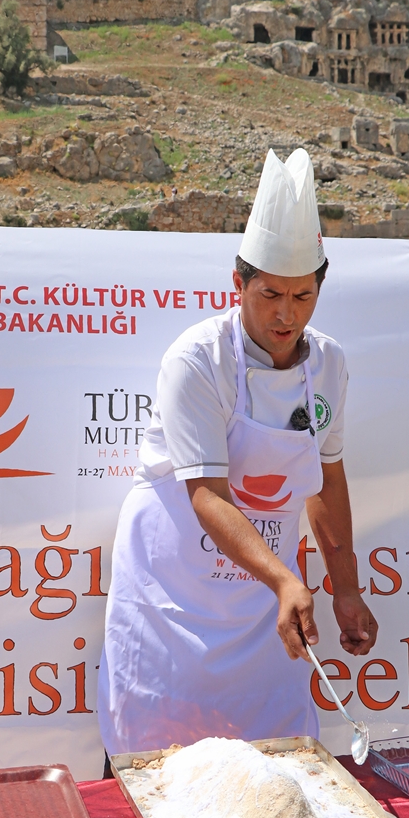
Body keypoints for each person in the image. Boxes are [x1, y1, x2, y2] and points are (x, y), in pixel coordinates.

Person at [98, 148, 378, 762]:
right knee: (157, 762)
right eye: (270, 294)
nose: (286, 314)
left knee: (277, 760)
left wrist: (346, 589)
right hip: (173, 591)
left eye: (303, 297)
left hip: (263, 596)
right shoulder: (197, 360)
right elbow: (206, 494)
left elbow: (327, 483)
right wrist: (284, 578)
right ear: (239, 285)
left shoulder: (328, 363)